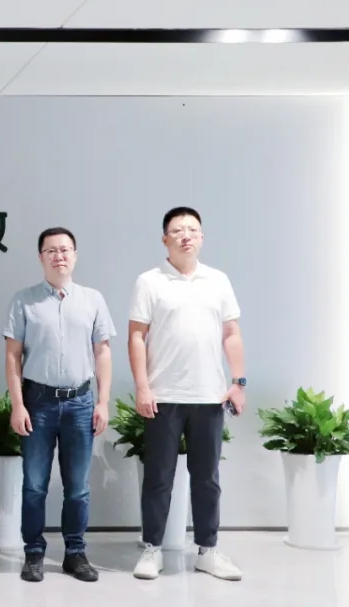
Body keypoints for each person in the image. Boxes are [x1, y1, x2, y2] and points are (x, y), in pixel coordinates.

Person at [128, 207, 244, 581]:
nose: (186, 236)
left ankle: (208, 551)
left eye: (192, 229)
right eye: (177, 230)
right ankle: (152, 548)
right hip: (163, 396)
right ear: (165, 239)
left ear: (202, 237)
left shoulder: (218, 281)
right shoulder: (149, 281)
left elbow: (231, 334)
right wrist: (142, 386)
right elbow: (136, 336)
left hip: (209, 396)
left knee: (207, 478)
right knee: (158, 477)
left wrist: (238, 382)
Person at [3, 227, 115, 583]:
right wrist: (17, 405)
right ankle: (34, 553)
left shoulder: (93, 299)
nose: (59, 256)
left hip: (80, 402)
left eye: (65, 249)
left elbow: (103, 352)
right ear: (41, 257)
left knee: (78, 487)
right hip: (38, 402)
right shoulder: (24, 300)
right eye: (51, 250)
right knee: (34, 484)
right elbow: (12, 356)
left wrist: (103, 402)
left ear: (75, 255)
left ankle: (75, 553)